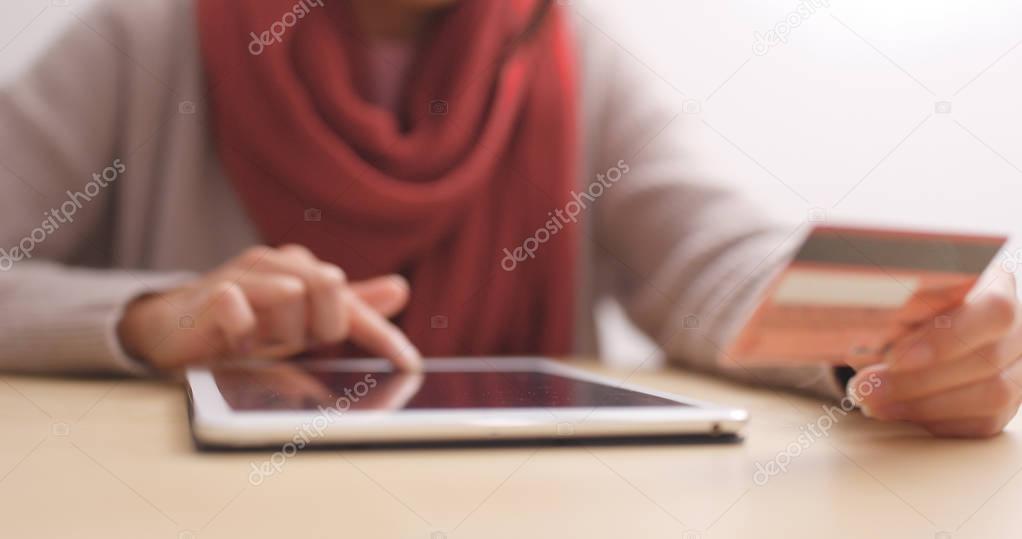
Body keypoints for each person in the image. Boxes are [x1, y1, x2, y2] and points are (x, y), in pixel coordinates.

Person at [0, 0, 1019, 438]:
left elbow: (711, 263)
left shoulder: (568, 54)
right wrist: (148, 318)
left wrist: (887, 338)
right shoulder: (140, 38)